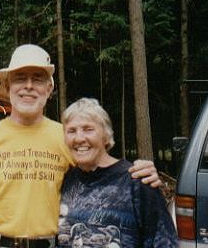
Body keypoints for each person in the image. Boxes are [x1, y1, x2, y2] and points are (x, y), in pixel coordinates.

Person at [0, 44, 162, 248]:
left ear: (49, 88)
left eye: (37, 79)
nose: (28, 86)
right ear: (8, 86)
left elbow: (108, 175)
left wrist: (140, 174)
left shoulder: (69, 140)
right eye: (20, 78)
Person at [57, 98, 177, 247]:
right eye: (71, 131)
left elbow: (164, 242)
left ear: (105, 136)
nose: (79, 138)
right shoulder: (67, 179)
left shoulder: (137, 181)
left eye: (88, 129)